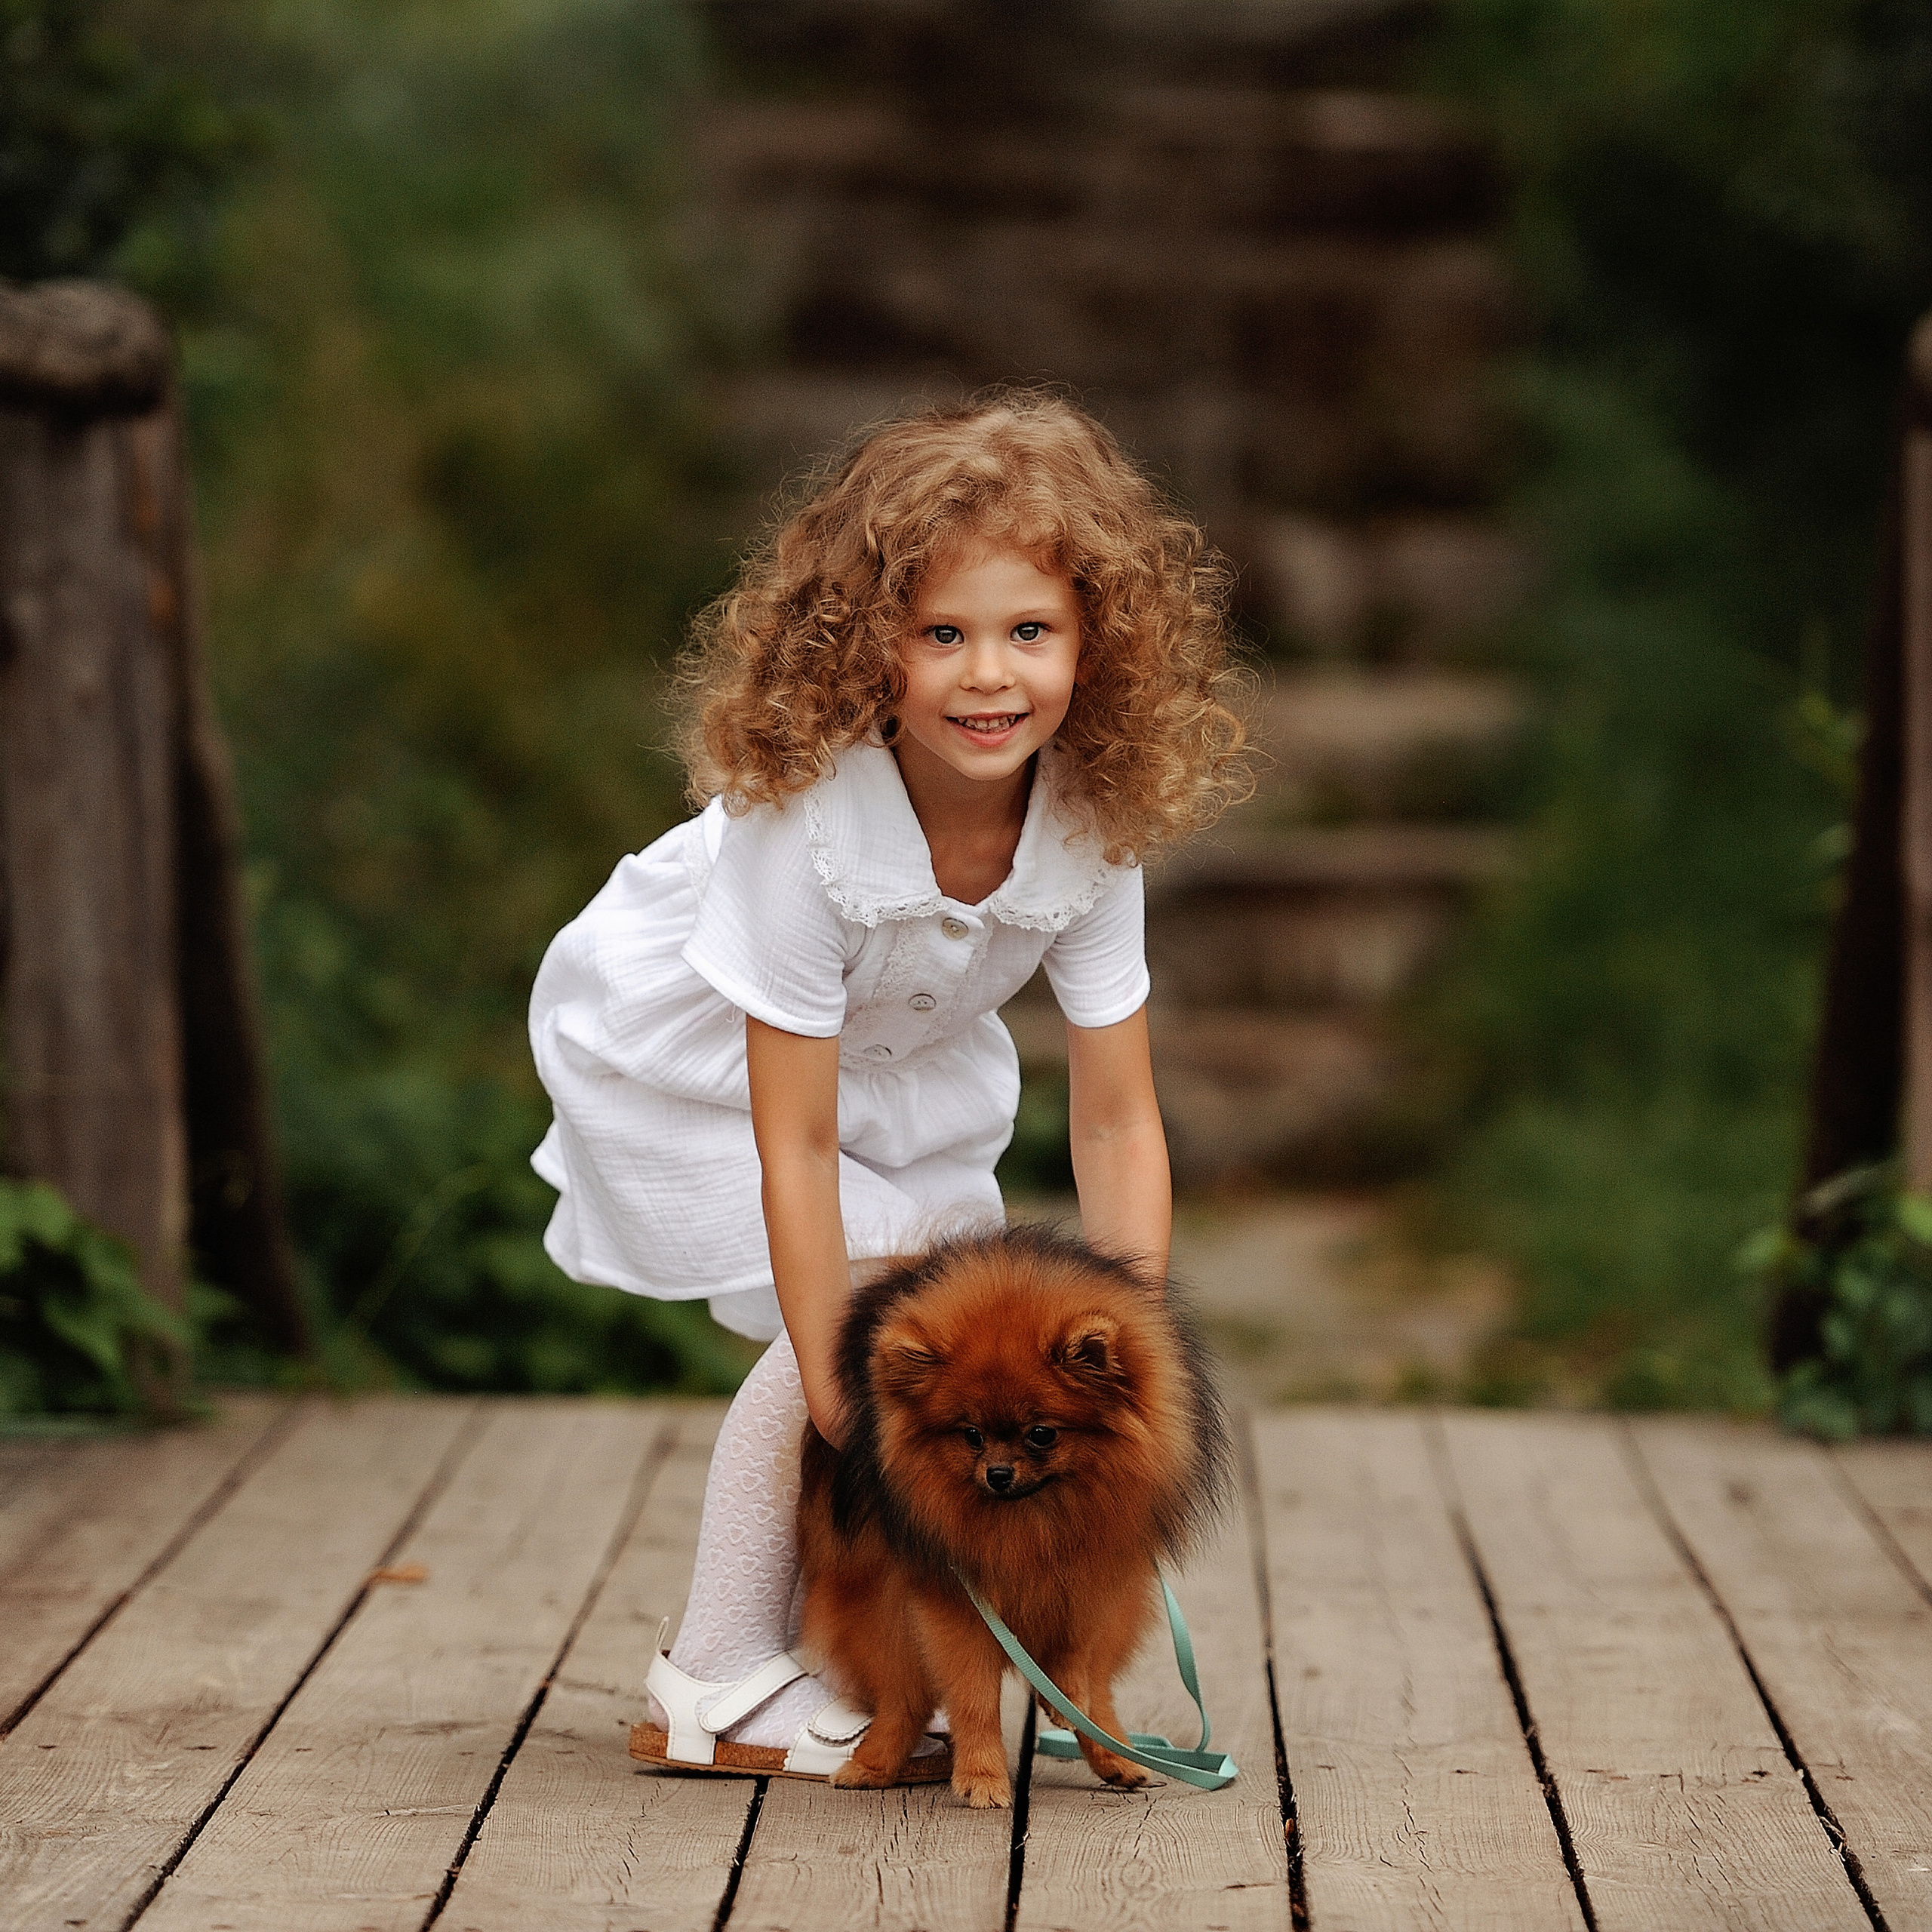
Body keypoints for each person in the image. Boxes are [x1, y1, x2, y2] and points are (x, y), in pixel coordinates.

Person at [528, 392, 1247, 1778]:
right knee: (860, 1331)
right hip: (692, 1063)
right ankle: (719, 1675)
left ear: (1096, 643)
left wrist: (1124, 1331)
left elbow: (1115, 1114)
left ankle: (834, 1654)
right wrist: (828, 1366)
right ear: (871, 652)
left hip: (899, 1077)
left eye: (1030, 631)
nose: (991, 676)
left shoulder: (1091, 830)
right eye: (943, 635)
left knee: (949, 1328)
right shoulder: (807, 832)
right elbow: (789, 1146)